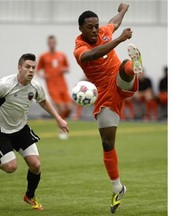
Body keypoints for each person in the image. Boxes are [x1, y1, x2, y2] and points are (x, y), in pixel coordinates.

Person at [0, 53, 69, 211]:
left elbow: (43, 101)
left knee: (36, 165)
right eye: (27, 67)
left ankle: (29, 196)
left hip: (21, 129)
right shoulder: (4, 85)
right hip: (1, 130)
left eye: (33, 68)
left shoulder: (35, 87)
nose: (31, 70)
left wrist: (58, 118)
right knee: (11, 167)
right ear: (19, 68)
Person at [73, 3, 143, 213]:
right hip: (103, 94)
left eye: (96, 26)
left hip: (118, 81)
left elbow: (114, 23)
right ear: (81, 29)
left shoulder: (104, 31)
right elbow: (91, 56)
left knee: (123, 67)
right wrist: (120, 39)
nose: (95, 30)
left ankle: (133, 66)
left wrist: (123, 10)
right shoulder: (79, 48)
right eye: (90, 27)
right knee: (107, 142)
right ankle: (118, 187)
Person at [36, 35, 72, 140]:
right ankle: (61, 129)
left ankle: (63, 122)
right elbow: (38, 70)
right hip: (52, 86)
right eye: (50, 43)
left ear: (55, 43)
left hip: (63, 85)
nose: (52, 44)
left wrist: (64, 69)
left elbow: (67, 68)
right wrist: (43, 76)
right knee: (61, 108)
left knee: (69, 108)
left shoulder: (61, 55)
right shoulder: (44, 56)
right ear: (48, 44)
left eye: (53, 42)